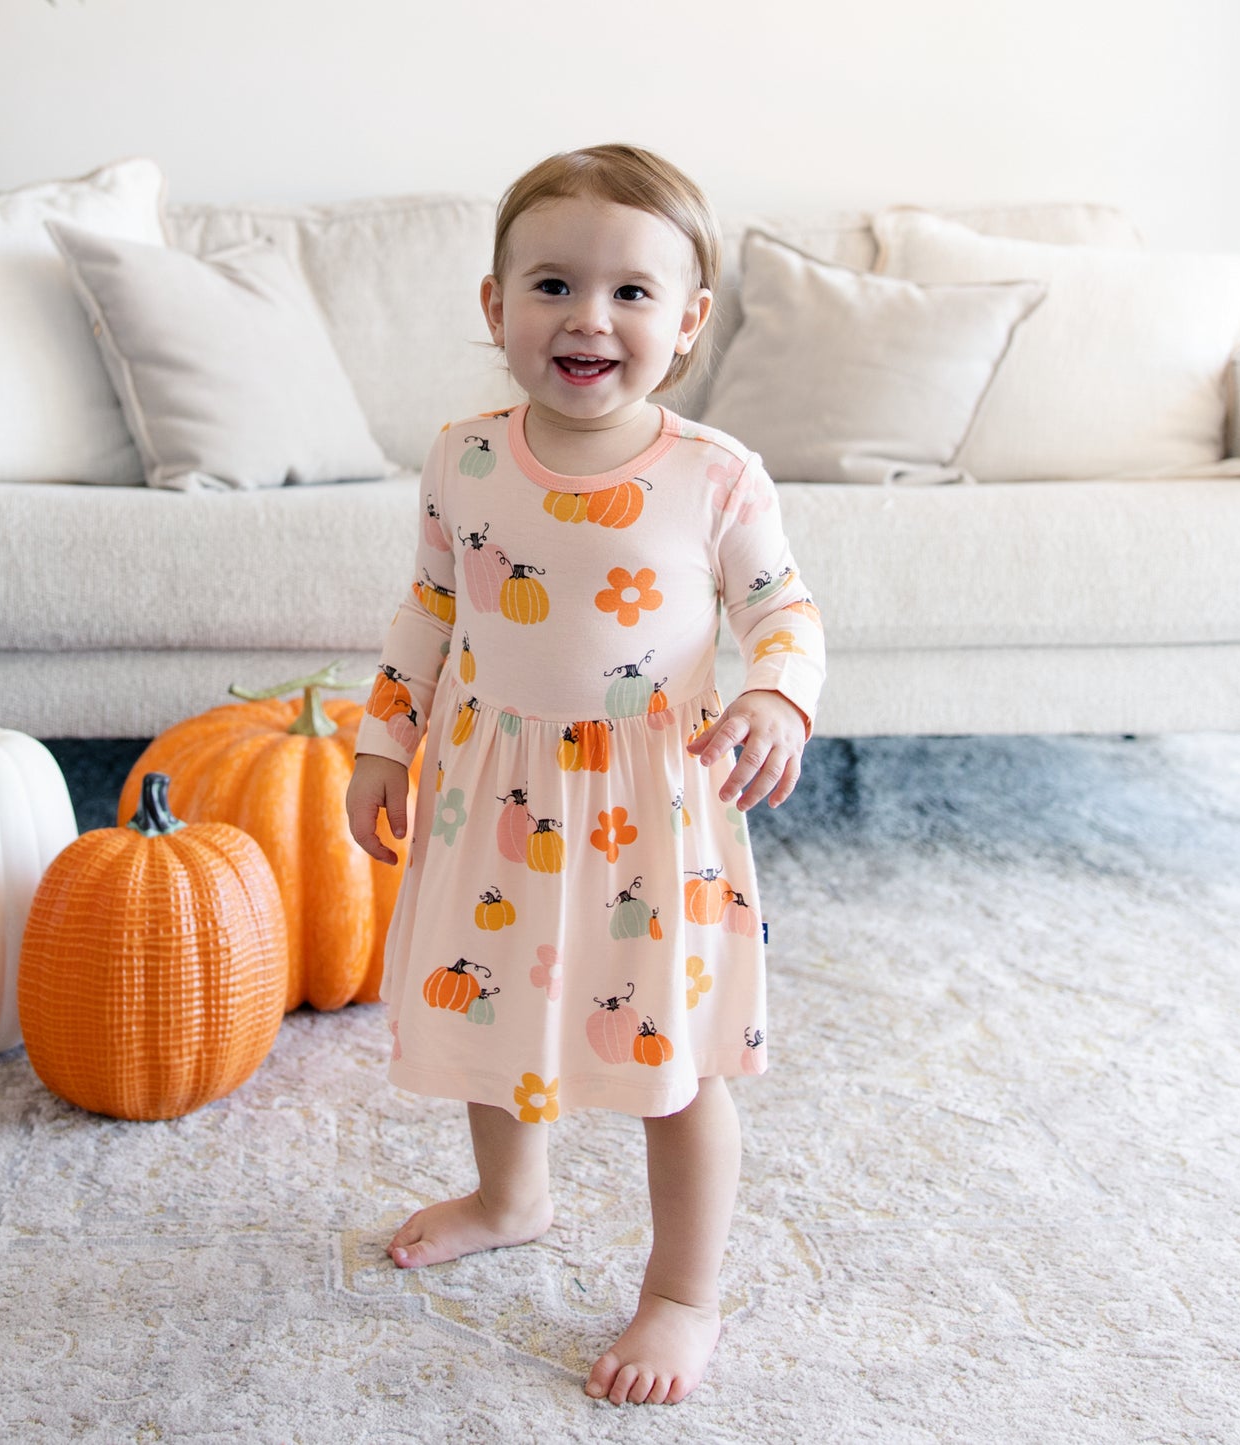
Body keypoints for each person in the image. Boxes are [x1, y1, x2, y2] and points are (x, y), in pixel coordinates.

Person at [346, 142, 825, 1407]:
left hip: (650, 813)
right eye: (551, 284)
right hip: (492, 791)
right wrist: (384, 740)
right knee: (491, 1006)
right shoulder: (463, 455)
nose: (588, 317)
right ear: (495, 306)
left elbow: (784, 614)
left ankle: (681, 1288)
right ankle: (512, 1194)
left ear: (686, 323)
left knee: (676, 1059)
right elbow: (428, 613)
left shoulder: (712, 473)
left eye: (629, 292)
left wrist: (777, 691)